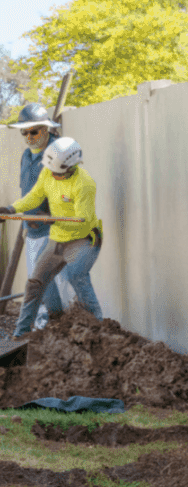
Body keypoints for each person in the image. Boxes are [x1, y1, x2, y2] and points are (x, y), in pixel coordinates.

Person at [9, 136, 102, 337]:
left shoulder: (84, 184)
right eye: (51, 171)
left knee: (75, 275)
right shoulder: (48, 172)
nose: (54, 175)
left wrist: (50, 220)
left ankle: (98, 328)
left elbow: (83, 221)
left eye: (58, 173)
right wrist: (12, 208)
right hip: (59, 238)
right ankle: (22, 333)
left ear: (72, 166)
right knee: (35, 281)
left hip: (84, 239)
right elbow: (35, 196)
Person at [6, 104, 69, 328]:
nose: (28, 137)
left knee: (47, 278)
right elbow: (27, 192)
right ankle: (45, 323)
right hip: (32, 228)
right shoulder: (26, 156)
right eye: (24, 132)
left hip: (54, 229)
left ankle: (57, 322)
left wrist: (52, 213)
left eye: (33, 131)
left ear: (46, 129)